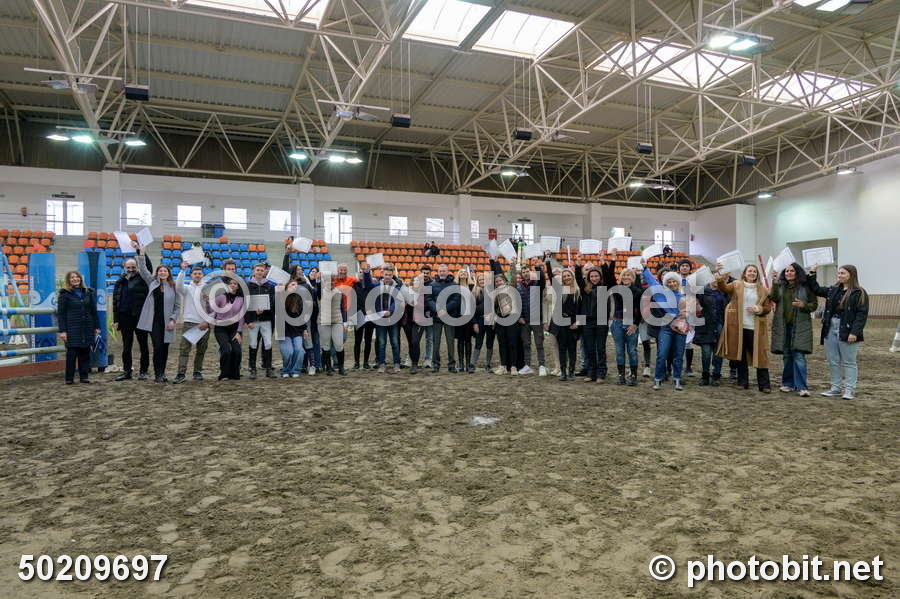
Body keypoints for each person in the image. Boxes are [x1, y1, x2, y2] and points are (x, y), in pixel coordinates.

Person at [807, 264, 868, 400]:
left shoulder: (859, 292)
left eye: (843, 273)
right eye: (839, 273)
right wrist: (812, 272)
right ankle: (835, 388)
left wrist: (854, 332)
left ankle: (849, 390)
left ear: (851, 275)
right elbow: (816, 289)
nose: (839, 275)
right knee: (833, 360)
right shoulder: (833, 290)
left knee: (849, 361)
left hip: (847, 328)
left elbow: (861, 315)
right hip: (830, 327)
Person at [714, 263, 772, 393]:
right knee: (741, 355)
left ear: (757, 274)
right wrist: (719, 275)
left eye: (754, 271)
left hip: (756, 327)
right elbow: (723, 288)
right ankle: (742, 382)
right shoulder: (736, 284)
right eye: (749, 271)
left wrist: (758, 309)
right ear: (744, 273)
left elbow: (767, 308)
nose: (752, 273)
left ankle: (764, 384)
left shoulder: (762, 289)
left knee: (761, 355)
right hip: (738, 326)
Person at [767, 263, 818, 397]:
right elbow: (773, 298)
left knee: (799, 356)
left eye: (792, 271)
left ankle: (802, 387)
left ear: (797, 272)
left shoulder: (806, 287)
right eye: (787, 271)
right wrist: (774, 282)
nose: (789, 273)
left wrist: (803, 305)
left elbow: (814, 305)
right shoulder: (781, 286)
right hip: (784, 327)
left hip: (800, 327)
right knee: (787, 356)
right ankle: (788, 383)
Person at [134, 242, 182, 383]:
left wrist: (173, 320)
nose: (162, 273)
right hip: (153, 321)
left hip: (167, 322)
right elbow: (143, 270)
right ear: (157, 273)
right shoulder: (152, 282)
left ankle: (162, 373)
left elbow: (177, 306)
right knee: (158, 347)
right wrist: (141, 254)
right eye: (160, 271)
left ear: (168, 273)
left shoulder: (174, 287)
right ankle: (158, 374)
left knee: (165, 348)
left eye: (164, 271)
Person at [641, 259, 688, 390]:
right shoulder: (661, 295)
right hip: (666, 328)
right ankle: (658, 379)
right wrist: (645, 267)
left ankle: (677, 379)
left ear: (678, 282)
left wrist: (685, 314)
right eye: (669, 282)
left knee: (678, 355)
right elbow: (652, 281)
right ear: (665, 284)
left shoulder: (683, 296)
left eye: (674, 281)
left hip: (680, 328)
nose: (672, 284)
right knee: (662, 354)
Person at [112, 253, 153, 381]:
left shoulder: (143, 278)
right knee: (126, 347)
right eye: (128, 267)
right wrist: (116, 320)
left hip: (140, 317)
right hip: (125, 318)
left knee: (143, 345)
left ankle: (143, 371)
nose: (131, 269)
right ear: (124, 267)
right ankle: (127, 371)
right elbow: (116, 302)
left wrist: (142, 253)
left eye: (133, 267)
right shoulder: (119, 282)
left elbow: (149, 267)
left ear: (137, 267)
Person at [574, 255, 614, 382]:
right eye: (592, 276)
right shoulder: (585, 289)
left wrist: (603, 263)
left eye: (596, 276)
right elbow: (578, 278)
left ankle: (601, 372)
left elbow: (609, 275)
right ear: (588, 277)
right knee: (589, 348)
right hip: (587, 321)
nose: (594, 278)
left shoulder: (605, 287)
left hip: (601, 321)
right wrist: (578, 264)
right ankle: (591, 372)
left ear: (600, 277)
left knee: (600, 348)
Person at [56, 270, 100, 384]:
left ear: (80, 279)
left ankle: (84, 377)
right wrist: (63, 331)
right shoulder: (64, 294)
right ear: (68, 280)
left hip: (87, 327)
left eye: (77, 277)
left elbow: (94, 311)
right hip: (72, 328)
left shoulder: (88, 292)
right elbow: (61, 314)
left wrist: (97, 326)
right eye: (72, 277)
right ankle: (69, 378)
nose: (75, 279)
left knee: (85, 352)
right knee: (71, 353)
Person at [173, 263, 212, 384]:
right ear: (191, 275)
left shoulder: (209, 289)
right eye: (195, 273)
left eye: (199, 273)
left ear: (203, 275)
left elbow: (214, 308)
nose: (197, 275)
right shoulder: (187, 288)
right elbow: (178, 287)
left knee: (201, 350)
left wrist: (208, 320)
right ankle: (181, 373)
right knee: (184, 349)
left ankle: (197, 371)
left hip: (204, 323)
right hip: (189, 323)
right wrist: (182, 271)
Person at [545, 262, 581, 381]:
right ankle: (563, 372)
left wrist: (578, 323)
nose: (566, 278)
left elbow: (582, 309)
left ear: (572, 277)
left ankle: (571, 371)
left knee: (572, 349)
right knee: (562, 348)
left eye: (568, 275)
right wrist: (547, 262)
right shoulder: (560, 289)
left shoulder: (578, 291)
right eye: (564, 276)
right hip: (560, 323)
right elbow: (551, 277)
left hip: (573, 323)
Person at [607, 264, 643, 386]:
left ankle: (633, 376)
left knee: (632, 350)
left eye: (629, 275)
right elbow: (610, 278)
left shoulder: (638, 291)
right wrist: (612, 261)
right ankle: (621, 376)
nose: (626, 277)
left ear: (632, 278)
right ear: (621, 277)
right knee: (619, 350)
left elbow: (640, 310)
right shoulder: (617, 289)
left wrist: (635, 324)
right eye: (624, 275)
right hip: (617, 323)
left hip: (631, 323)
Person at [368, 262, 403, 373]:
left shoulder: (397, 286)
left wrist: (391, 311)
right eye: (386, 274)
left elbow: (397, 301)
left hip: (393, 318)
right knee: (381, 342)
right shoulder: (376, 286)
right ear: (382, 274)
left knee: (395, 342)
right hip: (380, 319)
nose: (388, 277)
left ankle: (397, 363)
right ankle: (382, 363)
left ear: (393, 275)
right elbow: (370, 295)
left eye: (390, 275)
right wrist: (366, 272)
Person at [490, 260, 523, 375]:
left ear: (504, 281)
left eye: (500, 280)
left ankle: (513, 366)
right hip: (500, 321)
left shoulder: (511, 288)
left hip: (512, 319)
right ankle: (503, 366)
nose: (499, 283)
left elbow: (513, 278)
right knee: (502, 344)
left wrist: (513, 265)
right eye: (497, 281)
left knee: (512, 343)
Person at [245, 263, 276, 379]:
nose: (259, 272)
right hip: (253, 320)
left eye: (261, 270)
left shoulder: (269, 286)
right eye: (257, 270)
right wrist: (248, 320)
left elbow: (272, 301)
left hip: (266, 319)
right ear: (254, 271)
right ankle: (252, 369)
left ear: (265, 272)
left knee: (268, 343)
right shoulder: (247, 285)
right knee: (253, 343)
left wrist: (264, 309)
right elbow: (245, 303)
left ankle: (268, 368)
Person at [427, 264, 460, 373]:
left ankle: (451, 365)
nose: (442, 273)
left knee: (450, 341)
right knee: (436, 342)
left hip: (449, 316)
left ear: (447, 271)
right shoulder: (432, 284)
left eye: (444, 271)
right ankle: (435, 364)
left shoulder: (454, 285)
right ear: (438, 272)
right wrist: (437, 309)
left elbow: (456, 300)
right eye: (440, 271)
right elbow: (428, 299)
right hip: (436, 317)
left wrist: (444, 309)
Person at [315, 268, 348, 376]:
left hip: (336, 320)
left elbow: (343, 308)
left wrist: (345, 322)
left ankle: (341, 368)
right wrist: (318, 280)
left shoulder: (339, 292)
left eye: (333, 281)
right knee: (326, 345)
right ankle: (328, 368)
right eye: (329, 281)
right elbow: (318, 291)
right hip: (323, 321)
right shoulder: (320, 292)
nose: (332, 283)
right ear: (324, 282)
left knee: (339, 345)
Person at [212, 276, 244, 380]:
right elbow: (211, 309)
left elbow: (241, 317)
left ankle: (234, 373)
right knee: (226, 350)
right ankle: (224, 373)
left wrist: (239, 332)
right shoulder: (221, 297)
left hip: (234, 328)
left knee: (237, 351)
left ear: (238, 286)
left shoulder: (241, 299)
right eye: (230, 283)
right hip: (221, 327)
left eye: (235, 284)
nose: (232, 285)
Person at [695, 280, 727, 386]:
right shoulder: (701, 291)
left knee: (718, 353)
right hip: (705, 326)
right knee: (706, 353)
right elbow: (687, 292)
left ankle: (716, 375)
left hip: (720, 325)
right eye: (714, 278)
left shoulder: (725, 292)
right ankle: (705, 376)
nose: (716, 281)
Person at [519, 260, 547, 376]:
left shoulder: (537, 284)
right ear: (521, 274)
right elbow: (518, 304)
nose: (526, 273)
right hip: (524, 320)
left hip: (536, 318)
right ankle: (527, 365)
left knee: (539, 343)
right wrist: (520, 317)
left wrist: (537, 267)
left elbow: (543, 279)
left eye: (527, 271)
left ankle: (542, 366)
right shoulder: (519, 287)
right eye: (523, 272)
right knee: (526, 344)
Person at [277, 280, 310, 378]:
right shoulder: (281, 297)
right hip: (284, 330)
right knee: (288, 352)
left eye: (296, 285)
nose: (294, 286)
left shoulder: (299, 299)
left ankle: (295, 370)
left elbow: (302, 316)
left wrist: (304, 329)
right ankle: (286, 370)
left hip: (297, 330)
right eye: (292, 284)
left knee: (299, 350)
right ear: (287, 286)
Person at [675, 259, 697, 377]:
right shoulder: (674, 279)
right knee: (676, 338)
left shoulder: (694, 280)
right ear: (679, 268)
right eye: (682, 265)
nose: (684, 267)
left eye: (686, 266)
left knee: (689, 341)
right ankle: (675, 365)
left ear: (690, 268)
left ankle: (688, 367)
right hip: (677, 312)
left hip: (690, 312)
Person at [352, 263, 376, 370]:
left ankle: (366, 362)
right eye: (360, 272)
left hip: (370, 316)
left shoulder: (371, 286)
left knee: (368, 340)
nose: (362, 274)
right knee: (357, 340)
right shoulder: (354, 285)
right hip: (358, 315)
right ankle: (356, 362)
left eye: (364, 273)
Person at [470, 272, 494, 373]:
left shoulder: (492, 291)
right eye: (480, 280)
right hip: (479, 320)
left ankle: (488, 364)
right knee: (478, 342)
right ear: (477, 281)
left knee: (490, 343)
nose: (482, 281)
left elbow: (495, 306)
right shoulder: (474, 292)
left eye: (483, 279)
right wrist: (474, 323)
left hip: (490, 320)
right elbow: (471, 310)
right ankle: (472, 364)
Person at [455, 268, 475, 374]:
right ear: (458, 275)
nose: (463, 273)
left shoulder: (472, 287)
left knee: (468, 340)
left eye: (465, 272)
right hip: (458, 317)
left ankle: (468, 364)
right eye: (461, 272)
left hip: (469, 317)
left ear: (468, 275)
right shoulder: (454, 287)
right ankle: (461, 364)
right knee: (460, 340)